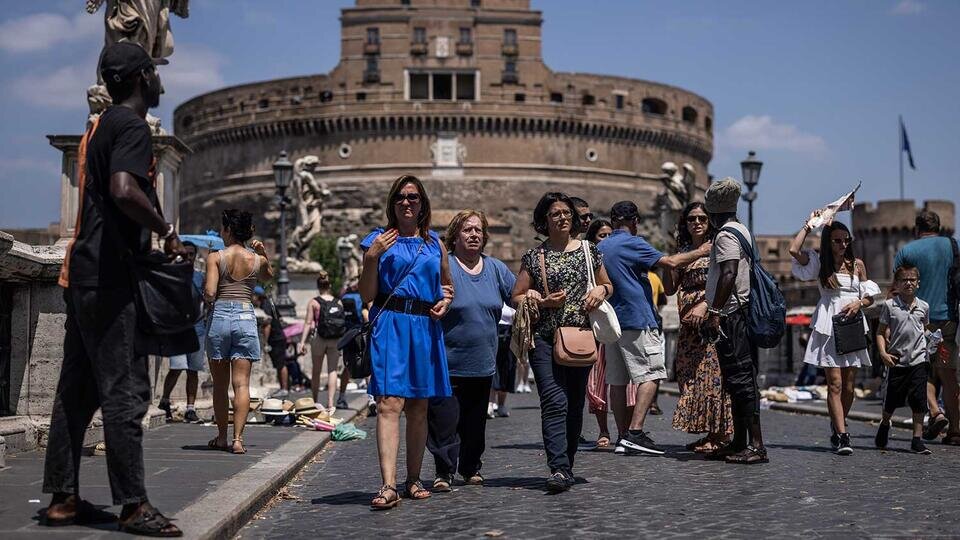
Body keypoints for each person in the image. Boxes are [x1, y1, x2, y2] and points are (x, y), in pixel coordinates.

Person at [42, 42, 183, 536]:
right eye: (157, 72)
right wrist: (165, 228)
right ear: (144, 76)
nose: (162, 80)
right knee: (126, 391)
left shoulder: (98, 128)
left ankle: (61, 498)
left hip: (83, 274)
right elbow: (124, 189)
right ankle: (133, 506)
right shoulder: (129, 126)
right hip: (110, 280)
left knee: (75, 392)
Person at [359, 175, 454, 510]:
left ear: (422, 203)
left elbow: (446, 285)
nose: (407, 202)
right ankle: (388, 484)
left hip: (425, 327)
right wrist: (372, 257)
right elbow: (368, 295)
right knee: (389, 403)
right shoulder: (377, 241)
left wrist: (446, 300)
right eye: (400, 197)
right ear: (392, 203)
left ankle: (413, 479)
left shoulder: (435, 245)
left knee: (419, 407)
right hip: (391, 324)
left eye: (413, 197)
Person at [511, 192, 614, 493]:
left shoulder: (589, 251)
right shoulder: (535, 256)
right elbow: (516, 295)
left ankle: (565, 463)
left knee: (573, 405)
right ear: (544, 220)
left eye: (566, 212)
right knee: (554, 401)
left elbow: (607, 284)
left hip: (580, 337)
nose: (562, 217)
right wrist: (541, 302)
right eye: (555, 213)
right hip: (544, 338)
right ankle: (558, 468)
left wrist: (600, 293)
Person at [599, 201, 710, 456]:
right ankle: (636, 432)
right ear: (635, 221)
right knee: (651, 375)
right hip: (637, 319)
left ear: (613, 221)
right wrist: (702, 251)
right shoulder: (633, 243)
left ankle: (622, 435)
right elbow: (670, 262)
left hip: (612, 322)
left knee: (617, 382)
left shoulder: (601, 246)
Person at [428, 210, 516, 491]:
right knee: (445, 421)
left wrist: (537, 295)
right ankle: (444, 471)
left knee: (475, 424)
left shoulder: (496, 269)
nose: (474, 235)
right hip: (446, 362)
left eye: (478, 230)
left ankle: (470, 467)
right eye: (467, 230)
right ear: (454, 236)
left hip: (483, 362)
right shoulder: (445, 267)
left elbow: (517, 295)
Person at [789, 213, 878, 455]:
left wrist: (859, 303)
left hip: (852, 325)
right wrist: (809, 225)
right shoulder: (819, 263)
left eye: (846, 240)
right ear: (828, 242)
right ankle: (842, 434)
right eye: (837, 240)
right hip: (829, 324)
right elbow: (794, 250)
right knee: (835, 384)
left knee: (849, 385)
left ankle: (836, 421)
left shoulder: (857, 265)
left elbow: (870, 296)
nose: (843, 245)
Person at [702, 177, 767, 464]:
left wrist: (714, 312)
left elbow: (729, 273)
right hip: (738, 313)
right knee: (736, 378)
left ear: (714, 213)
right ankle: (740, 440)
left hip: (732, 316)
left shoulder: (726, 235)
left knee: (741, 379)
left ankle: (756, 445)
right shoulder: (742, 230)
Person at [663, 202, 733, 453]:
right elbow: (671, 289)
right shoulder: (684, 250)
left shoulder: (718, 247)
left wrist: (705, 305)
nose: (697, 222)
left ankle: (720, 435)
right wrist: (670, 262)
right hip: (687, 326)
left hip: (710, 322)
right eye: (691, 218)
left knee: (712, 378)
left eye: (702, 218)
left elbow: (727, 280)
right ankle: (709, 432)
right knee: (688, 377)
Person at [204, 209, 274, 455]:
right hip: (246, 316)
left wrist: (206, 294)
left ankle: (222, 437)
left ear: (228, 230)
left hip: (221, 317)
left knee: (221, 386)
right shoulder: (257, 259)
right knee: (242, 384)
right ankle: (238, 440)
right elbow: (268, 277)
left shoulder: (215, 256)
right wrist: (263, 254)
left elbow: (211, 292)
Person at [894, 211, 959, 445]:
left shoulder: (907, 251)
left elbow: (897, 288)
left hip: (919, 321)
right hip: (949, 318)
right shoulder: (954, 245)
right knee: (948, 374)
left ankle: (936, 412)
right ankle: (955, 431)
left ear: (916, 228)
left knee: (921, 372)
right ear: (940, 227)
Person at [875, 265, 933, 454]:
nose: (908, 283)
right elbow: (880, 332)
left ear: (918, 283)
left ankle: (917, 439)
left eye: (912, 280)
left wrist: (933, 338)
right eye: (904, 280)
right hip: (897, 359)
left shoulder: (924, 306)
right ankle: (885, 424)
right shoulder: (889, 306)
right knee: (891, 400)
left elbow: (924, 329)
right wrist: (883, 353)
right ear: (897, 284)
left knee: (919, 399)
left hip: (919, 360)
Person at [582, 218, 623, 450]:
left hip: (615, 325)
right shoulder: (587, 260)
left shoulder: (618, 259)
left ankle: (623, 430)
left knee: (621, 382)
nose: (606, 241)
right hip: (594, 326)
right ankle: (603, 430)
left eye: (609, 235)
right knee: (596, 382)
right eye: (601, 236)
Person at [158, 241, 206, 423]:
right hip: (177, 329)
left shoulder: (200, 277)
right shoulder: (172, 275)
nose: (188, 257)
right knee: (177, 367)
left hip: (198, 329)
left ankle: (190, 408)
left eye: (192, 254)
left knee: (193, 370)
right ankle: (164, 400)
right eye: (185, 254)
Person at [298, 271, 349, 411]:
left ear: (318, 286)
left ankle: (315, 401)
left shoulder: (314, 302)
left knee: (316, 370)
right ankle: (331, 403)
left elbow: (308, 323)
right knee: (332, 370)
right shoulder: (338, 301)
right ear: (330, 285)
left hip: (319, 338)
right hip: (335, 339)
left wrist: (302, 342)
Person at [255, 286, 291, 399]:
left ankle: (284, 388)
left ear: (257, 296)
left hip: (276, 339)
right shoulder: (270, 303)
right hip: (279, 337)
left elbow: (268, 324)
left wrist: (265, 343)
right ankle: (283, 387)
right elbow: (280, 319)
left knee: (281, 364)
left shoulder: (265, 306)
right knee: (279, 364)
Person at [489, 305, 517, 419]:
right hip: (494, 331)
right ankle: (490, 403)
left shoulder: (511, 294)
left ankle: (501, 404)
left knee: (507, 368)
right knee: (492, 367)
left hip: (510, 333)